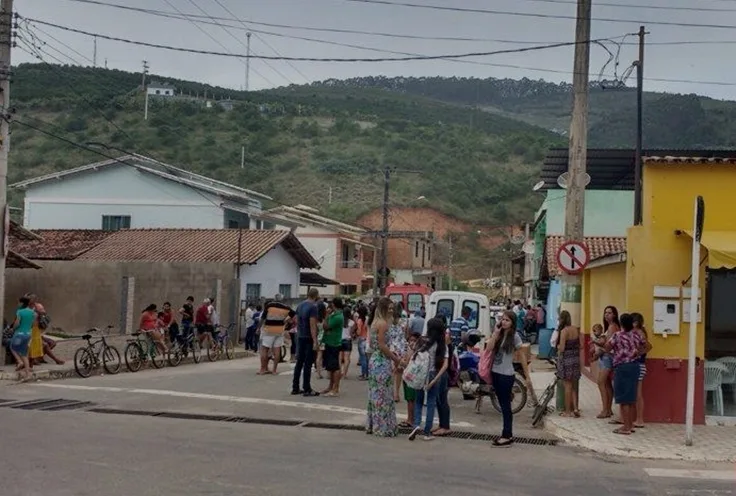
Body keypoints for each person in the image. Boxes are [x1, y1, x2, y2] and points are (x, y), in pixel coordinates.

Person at [488, 310, 530, 447]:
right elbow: (489, 348)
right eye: (503, 319)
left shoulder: (515, 337)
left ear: (512, 323)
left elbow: (522, 356)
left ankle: (507, 435)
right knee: (501, 404)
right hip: (495, 372)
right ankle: (506, 434)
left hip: (506, 375)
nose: (504, 322)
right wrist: (495, 333)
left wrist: (527, 376)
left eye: (507, 320)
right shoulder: (499, 334)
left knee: (506, 406)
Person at [605, 313, 649, 436]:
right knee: (630, 398)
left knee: (623, 399)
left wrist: (615, 354)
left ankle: (626, 427)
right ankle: (629, 425)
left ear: (621, 323)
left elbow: (607, 347)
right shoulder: (637, 335)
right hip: (635, 366)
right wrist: (636, 353)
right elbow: (646, 346)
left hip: (622, 367)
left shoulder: (617, 335)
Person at [408, 317, 449, 442]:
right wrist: (434, 380)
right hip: (433, 374)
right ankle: (427, 432)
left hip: (420, 374)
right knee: (431, 403)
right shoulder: (442, 345)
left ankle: (416, 425)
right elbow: (445, 365)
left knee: (419, 401)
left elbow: (413, 355)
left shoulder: (422, 341)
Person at [366, 297, 401, 437]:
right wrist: (395, 359)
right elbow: (382, 345)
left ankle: (373, 424)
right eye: (390, 308)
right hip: (381, 361)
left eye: (393, 308)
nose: (392, 311)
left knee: (376, 393)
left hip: (374, 359)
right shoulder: (384, 324)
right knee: (384, 394)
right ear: (384, 308)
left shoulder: (375, 322)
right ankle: (383, 426)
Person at [292, 288, 320, 397]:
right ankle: (307, 388)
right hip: (308, 337)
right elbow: (312, 325)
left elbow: (296, 320)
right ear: (316, 295)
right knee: (308, 363)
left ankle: (295, 387)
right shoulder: (313, 307)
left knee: (299, 362)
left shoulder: (300, 305)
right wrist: (315, 341)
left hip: (300, 336)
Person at [595, 306, 620, 419]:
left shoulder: (612, 327)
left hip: (608, 358)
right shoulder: (609, 327)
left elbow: (608, 346)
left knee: (601, 382)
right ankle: (608, 409)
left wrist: (598, 346)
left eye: (609, 313)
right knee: (607, 384)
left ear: (614, 315)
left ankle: (605, 410)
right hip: (606, 357)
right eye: (605, 312)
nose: (607, 315)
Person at [556, 310, 582, 418]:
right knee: (573, 385)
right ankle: (575, 408)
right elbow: (580, 345)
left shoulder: (564, 331)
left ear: (562, 319)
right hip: (576, 358)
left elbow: (562, 348)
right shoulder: (575, 329)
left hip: (566, 359)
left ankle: (567, 411)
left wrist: (557, 347)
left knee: (567, 386)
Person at [257, 294, 291, 375]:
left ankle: (263, 369)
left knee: (264, 350)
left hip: (268, 331)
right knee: (277, 350)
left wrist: (258, 328)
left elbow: (262, 319)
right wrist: (285, 322)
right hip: (279, 331)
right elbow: (293, 315)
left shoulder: (270, 307)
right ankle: (274, 370)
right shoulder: (285, 308)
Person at [321, 298, 345, 397]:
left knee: (335, 367)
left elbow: (326, 326)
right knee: (330, 367)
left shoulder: (338, 316)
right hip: (329, 342)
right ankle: (330, 386)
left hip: (334, 343)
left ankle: (335, 388)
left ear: (334, 305)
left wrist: (326, 316)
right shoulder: (334, 315)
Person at [399, 329, 421, 428]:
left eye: (414, 340)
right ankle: (410, 418)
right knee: (409, 399)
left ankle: (411, 420)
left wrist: (401, 362)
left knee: (411, 399)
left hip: (410, 377)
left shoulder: (415, 351)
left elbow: (407, 362)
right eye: (410, 340)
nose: (411, 342)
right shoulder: (410, 349)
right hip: (408, 377)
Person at [631, 312, 650, 429]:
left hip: (638, 364)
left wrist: (638, 354)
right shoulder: (639, 332)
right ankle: (638, 419)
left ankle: (639, 419)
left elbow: (648, 346)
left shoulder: (639, 333)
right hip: (638, 364)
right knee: (636, 393)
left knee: (638, 394)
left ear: (636, 322)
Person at [10, 296, 35, 381]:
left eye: (19, 302)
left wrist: (13, 328)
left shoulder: (19, 312)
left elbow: (17, 323)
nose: (18, 304)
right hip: (28, 334)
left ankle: (20, 362)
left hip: (19, 334)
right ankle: (28, 373)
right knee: (24, 353)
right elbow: (32, 324)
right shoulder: (32, 312)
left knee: (12, 347)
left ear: (22, 303)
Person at [433, 328, 453, 437]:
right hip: (442, 373)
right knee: (439, 401)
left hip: (442, 374)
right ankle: (442, 425)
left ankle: (445, 426)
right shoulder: (443, 341)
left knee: (442, 400)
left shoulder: (444, 343)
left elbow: (446, 363)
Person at [388, 306, 409, 403]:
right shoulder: (403, 322)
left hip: (393, 348)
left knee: (393, 371)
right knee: (398, 371)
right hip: (400, 348)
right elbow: (406, 335)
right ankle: (395, 393)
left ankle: (393, 393)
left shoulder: (388, 322)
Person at [26, 293, 46, 366]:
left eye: (34, 298)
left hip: (35, 328)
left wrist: (38, 311)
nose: (33, 300)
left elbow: (44, 313)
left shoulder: (37, 306)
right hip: (28, 328)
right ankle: (28, 364)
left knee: (36, 346)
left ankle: (32, 362)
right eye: (31, 298)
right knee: (29, 346)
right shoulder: (25, 307)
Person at [340, 306, 356, 379]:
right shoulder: (352, 322)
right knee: (347, 359)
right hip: (347, 341)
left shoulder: (340, 321)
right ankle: (344, 374)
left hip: (340, 340)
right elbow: (351, 333)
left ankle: (340, 372)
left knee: (340, 358)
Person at [356, 306, 369, 380]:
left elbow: (359, 332)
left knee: (363, 358)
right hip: (367, 339)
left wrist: (356, 333)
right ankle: (367, 374)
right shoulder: (367, 319)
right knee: (366, 359)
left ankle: (363, 374)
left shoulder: (359, 320)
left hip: (361, 339)